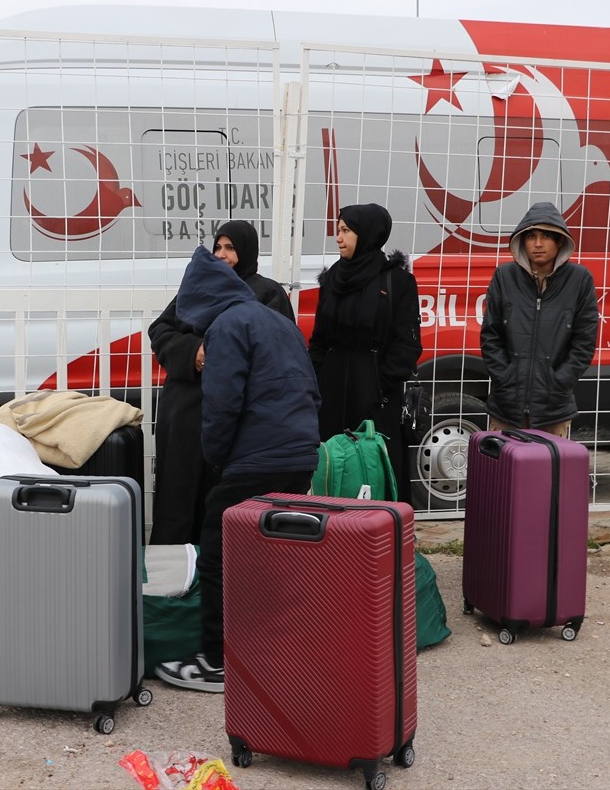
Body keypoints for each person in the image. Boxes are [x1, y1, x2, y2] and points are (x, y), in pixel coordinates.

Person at [154, 245, 320, 692]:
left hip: (255, 460)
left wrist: (218, 460)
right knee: (274, 558)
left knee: (217, 556)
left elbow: (221, 404)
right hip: (299, 456)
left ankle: (217, 661)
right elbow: (312, 388)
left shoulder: (226, 327)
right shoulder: (278, 322)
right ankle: (275, 653)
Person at [147, 221, 293, 545]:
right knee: (178, 495)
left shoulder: (267, 293)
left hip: (234, 415)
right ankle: (173, 569)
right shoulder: (198, 286)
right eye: (218, 247)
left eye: (231, 248)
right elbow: (160, 330)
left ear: (248, 251)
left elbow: (277, 350)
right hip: (186, 411)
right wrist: (194, 353)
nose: (222, 255)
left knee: (223, 504)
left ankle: (218, 569)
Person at [308, 202, 422, 502]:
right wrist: (319, 378)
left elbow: (407, 343)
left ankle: (378, 527)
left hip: (375, 396)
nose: (338, 237)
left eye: (346, 230)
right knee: (333, 467)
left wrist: (378, 384)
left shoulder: (396, 281)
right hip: (332, 394)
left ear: (368, 234)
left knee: (374, 470)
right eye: (338, 230)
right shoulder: (332, 279)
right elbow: (319, 339)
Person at [480, 201, 599, 438]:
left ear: (560, 241)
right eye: (530, 236)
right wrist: (505, 377)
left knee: (550, 463)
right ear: (521, 241)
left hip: (554, 408)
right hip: (506, 406)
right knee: (504, 462)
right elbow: (490, 335)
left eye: (546, 236)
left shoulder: (579, 279)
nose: (537, 243)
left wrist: (558, 381)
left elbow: (584, 341)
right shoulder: (505, 276)